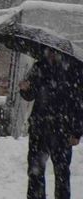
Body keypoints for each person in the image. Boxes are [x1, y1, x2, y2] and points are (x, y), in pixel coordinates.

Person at [19, 48, 83, 199]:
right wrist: (25, 89)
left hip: (63, 129)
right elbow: (30, 95)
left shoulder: (74, 69)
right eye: (48, 51)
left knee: (62, 174)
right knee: (35, 172)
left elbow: (80, 103)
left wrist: (77, 131)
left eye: (54, 52)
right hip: (39, 128)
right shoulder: (39, 67)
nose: (50, 54)